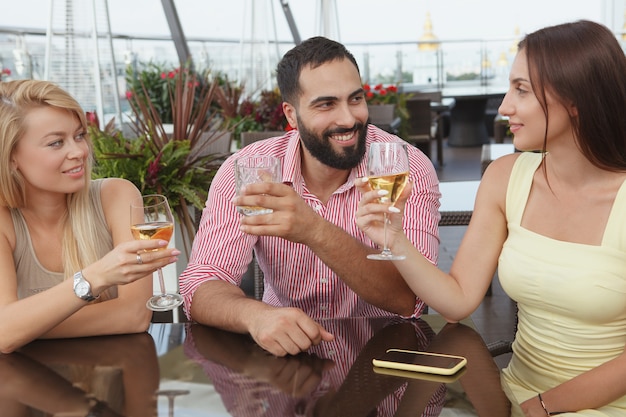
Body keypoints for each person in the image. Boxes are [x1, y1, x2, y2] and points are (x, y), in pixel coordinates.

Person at [355, 20, 626, 416]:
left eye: (521, 90)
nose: (504, 107)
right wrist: (394, 237)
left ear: (576, 100)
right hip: (515, 396)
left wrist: (546, 405)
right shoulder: (505, 177)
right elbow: (457, 300)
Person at [179, 36, 441, 357]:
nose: (348, 118)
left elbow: (408, 300)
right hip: (285, 358)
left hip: (387, 357)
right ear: (291, 115)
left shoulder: (404, 166)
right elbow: (201, 283)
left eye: (355, 99)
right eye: (326, 104)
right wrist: (255, 316)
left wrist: (313, 230)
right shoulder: (248, 170)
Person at [0, 80, 180, 353]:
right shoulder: (5, 222)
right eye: (56, 142)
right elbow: (4, 333)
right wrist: (95, 277)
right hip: (29, 387)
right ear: (11, 156)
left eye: (80, 135)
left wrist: (25, 325)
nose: (79, 152)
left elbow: (134, 316)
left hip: (115, 376)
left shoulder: (116, 196)